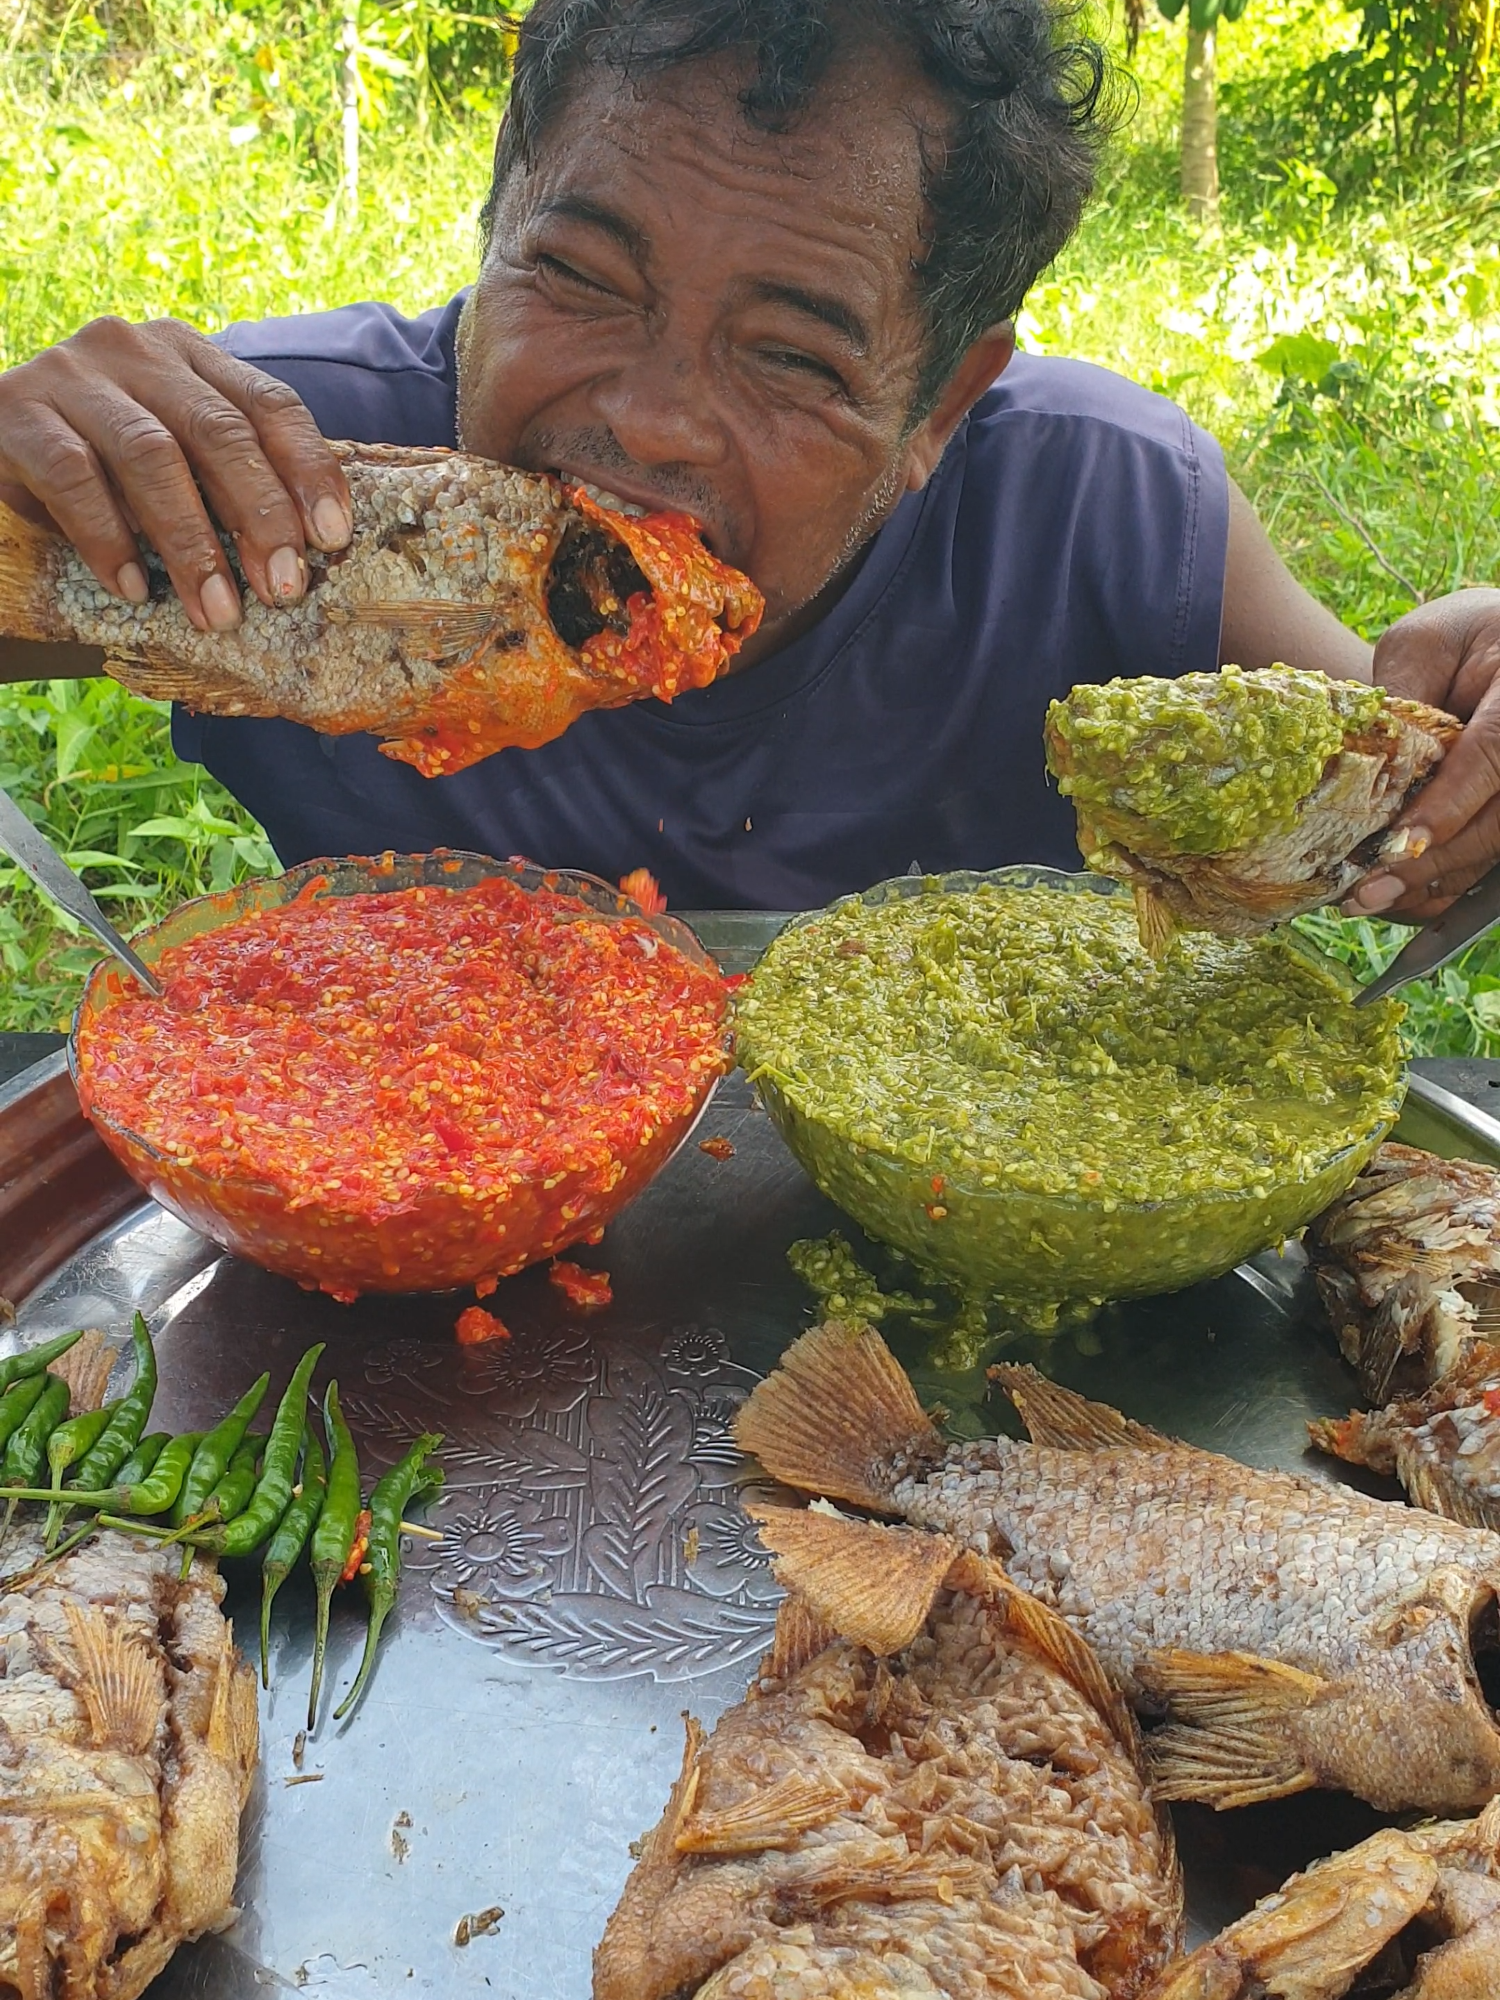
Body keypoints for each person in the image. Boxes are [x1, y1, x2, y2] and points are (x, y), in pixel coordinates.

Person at [1, 0, 1496, 917]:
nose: (654, 420)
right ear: (497, 219)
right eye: (580, 277)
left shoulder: (1095, 519)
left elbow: (1406, 812)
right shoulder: (274, 464)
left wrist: (1471, 752)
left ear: (940, 407)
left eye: (792, 357)